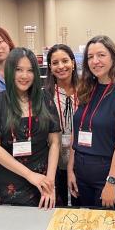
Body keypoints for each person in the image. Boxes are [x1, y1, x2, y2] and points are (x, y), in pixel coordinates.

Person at [0, 47, 60, 209]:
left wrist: (50, 182)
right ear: (10, 71)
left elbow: (54, 142)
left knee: (46, 226)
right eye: (19, 70)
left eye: (30, 70)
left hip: (46, 177)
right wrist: (30, 176)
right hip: (13, 180)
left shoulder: (45, 98)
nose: (24, 76)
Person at [67, 35, 115, 209]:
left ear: (113, 57)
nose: (95, 61)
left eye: (101, 55)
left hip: (107, 173)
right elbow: (76, 136)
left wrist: (112, 182)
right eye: (90, 57)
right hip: (81, 172)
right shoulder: (86, 89)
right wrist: (71, 171)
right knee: (82, 225)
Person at [44, 44, 80, 206]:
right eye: (55, 63)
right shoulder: (45, 95)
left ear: (73, 63)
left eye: (65, 61)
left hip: (80, 156)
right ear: (50, 68)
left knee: (81, 204)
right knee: (57, 205)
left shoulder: (87, 90)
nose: (61, 66)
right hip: (54, 159)